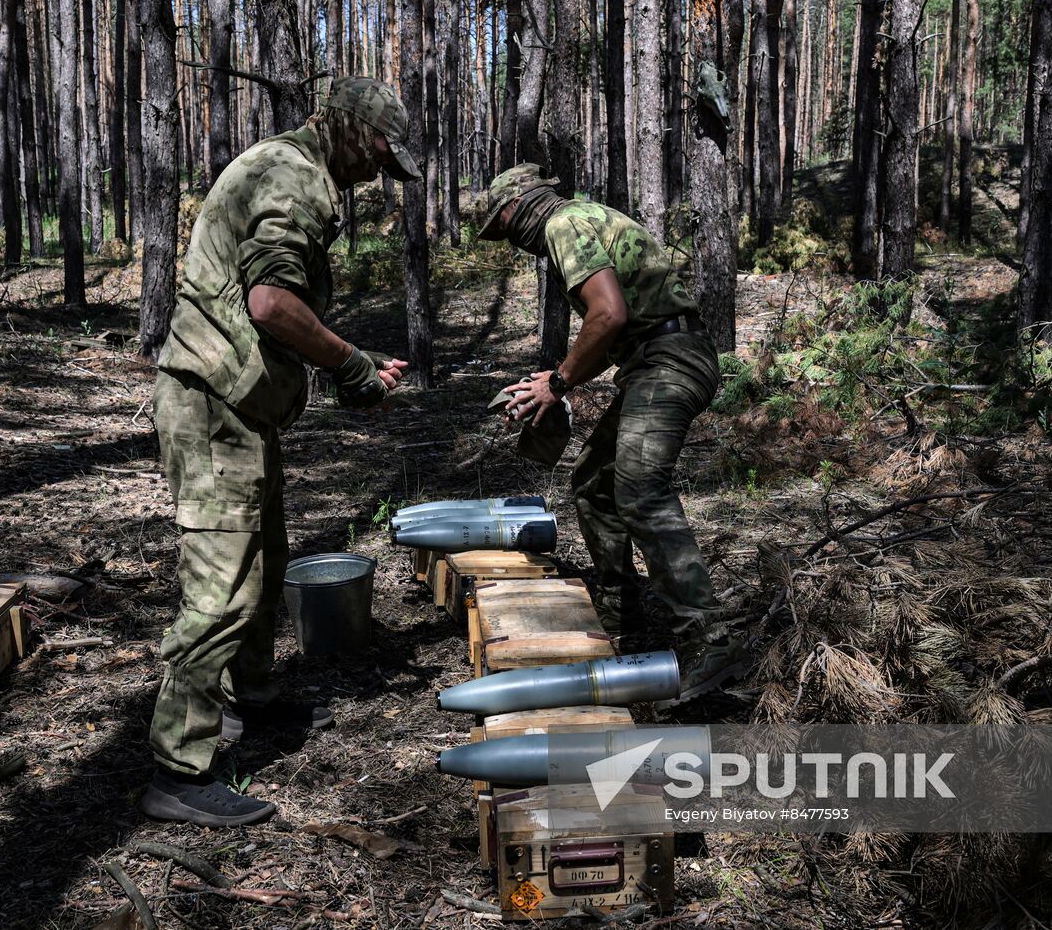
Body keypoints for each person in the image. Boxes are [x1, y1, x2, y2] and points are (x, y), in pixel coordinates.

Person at [140, 77, 421, 827]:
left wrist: (344, 360)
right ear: (354, 132)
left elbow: (266, 306)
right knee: (221, 587)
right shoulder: (295, 177)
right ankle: (179, 765)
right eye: (378, 162)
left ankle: (250, 698)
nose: (375, 181)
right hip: (210, 406)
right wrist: (349, 362)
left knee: (262, 564)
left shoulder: (290, 168)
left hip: (237, 407)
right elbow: (270, 303)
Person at [476, 163, 752, 707]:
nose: (508, 239)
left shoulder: (563, 224)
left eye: (501, 226)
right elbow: (613, 327)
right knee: (595, 482)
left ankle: (708, 639)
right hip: (654, 358)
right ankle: (625, 617)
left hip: (671, 359)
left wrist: (558, 383)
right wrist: (556, 380)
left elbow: (609, 314)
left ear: (514, 208)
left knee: (641, 487)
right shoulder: (580, 220)